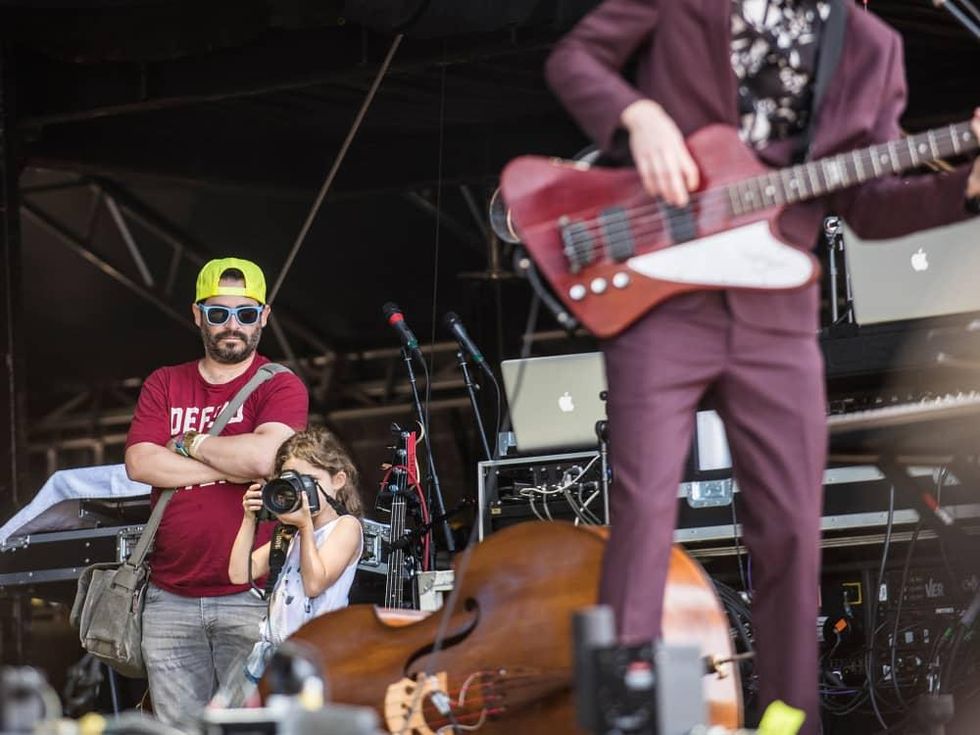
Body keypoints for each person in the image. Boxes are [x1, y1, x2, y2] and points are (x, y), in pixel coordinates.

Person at [543, 1, 980, 732]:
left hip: (776, 313)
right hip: (665, 296)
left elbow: (868, 209)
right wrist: (639, 114)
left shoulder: (869, 47)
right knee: (645, 504)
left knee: (789, 528)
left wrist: (963, 186)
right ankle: (625, 710)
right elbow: (574, 59)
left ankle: (789, 719)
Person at [124, 257, 309, 727]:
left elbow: (266, 460)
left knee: (254, 730)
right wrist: (230, 461)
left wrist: (189, 444)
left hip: (252, 593)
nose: (233, 325)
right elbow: (140, 462)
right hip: (167, 595)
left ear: (264, 317)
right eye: (219, 312)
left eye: (246, 314)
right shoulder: (164, 382)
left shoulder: (280, 384)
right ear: (197, 314)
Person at [227, 427, 363, 684]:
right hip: (271, 657)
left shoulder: (346, 527)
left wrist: (305, 526)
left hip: (317, 656)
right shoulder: (290, 533)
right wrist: (248, 518)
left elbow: (314, 584)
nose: (302, 493)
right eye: (293, 483)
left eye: (310, 481)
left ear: (338, 480)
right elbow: (238, 573)